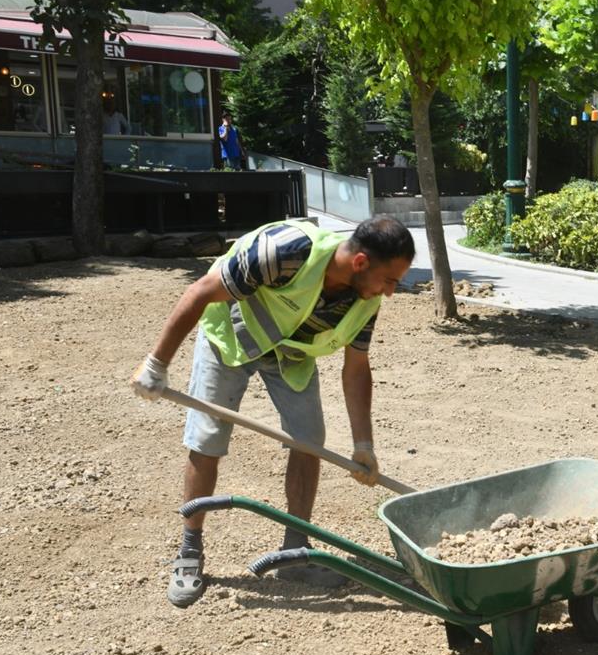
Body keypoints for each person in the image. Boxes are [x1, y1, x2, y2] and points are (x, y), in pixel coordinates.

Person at [131, 216, 416, 608]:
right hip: (230, 337)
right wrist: (156, 364)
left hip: (289, 356)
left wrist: (363, 443)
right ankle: (189, 551)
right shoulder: (284, 252)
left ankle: (294, 554)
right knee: (208, 440)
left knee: (309, 441)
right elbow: (198, 294)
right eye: (389, 281)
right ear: (361, 263)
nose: (391, 293)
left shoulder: (364, 298)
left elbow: (356, 368)